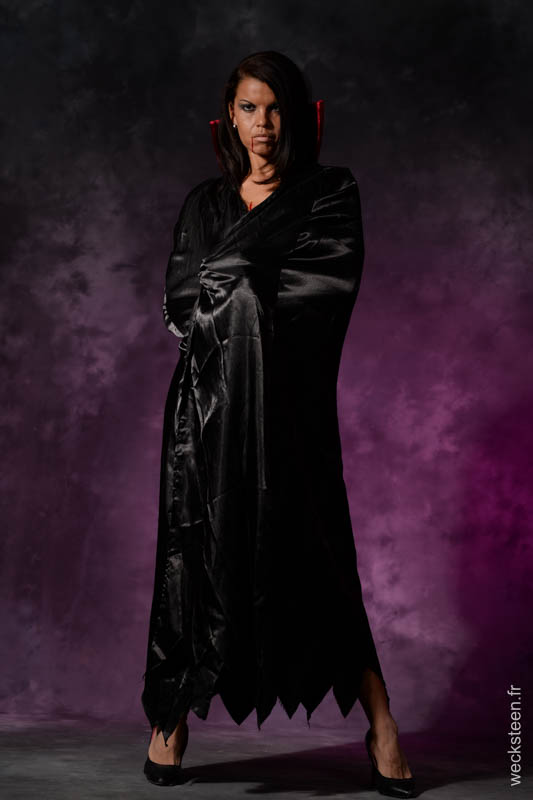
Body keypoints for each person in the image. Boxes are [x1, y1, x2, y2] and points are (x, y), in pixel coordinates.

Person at [141, 50, 415, 796]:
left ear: (294, 114)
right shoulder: (205, 205)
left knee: (317, 558)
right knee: (194, 557)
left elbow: (319, 295)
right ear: (228, 118)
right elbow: (180, 304)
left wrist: (229, 287)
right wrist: (240, 289)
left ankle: (382, 725)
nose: (262, 123)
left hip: (289, 414)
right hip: (204, 414)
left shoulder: (327, 195)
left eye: (273, 107)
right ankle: (170, 719)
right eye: (248, 108)